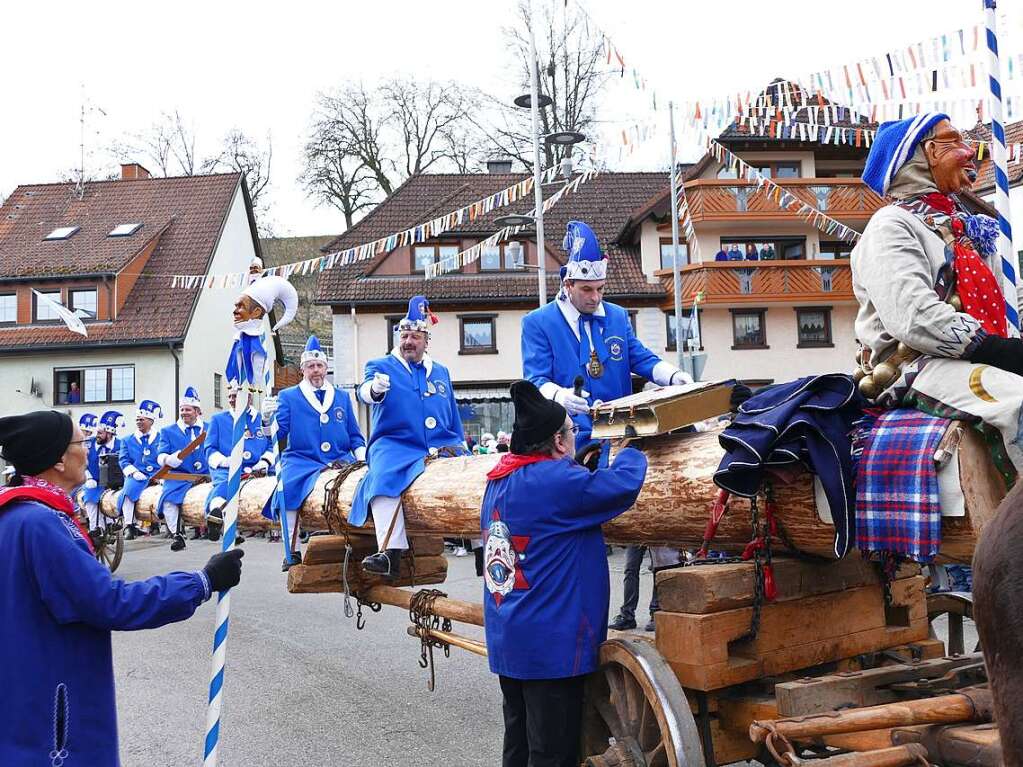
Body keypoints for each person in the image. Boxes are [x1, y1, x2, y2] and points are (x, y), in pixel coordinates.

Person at [0, 409, 244, 765]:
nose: (88, 451)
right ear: (57, 459)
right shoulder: (41, 524)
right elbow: (111, 602)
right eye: (80, 442)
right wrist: (201, 582)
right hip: (52, 724)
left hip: (23, 704)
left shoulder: (16, 515)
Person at [481, 381, 647, 767]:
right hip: (551, 645)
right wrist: (629, 449)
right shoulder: (555, 481)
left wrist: (579, 466)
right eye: (571, 432)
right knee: (553, 752)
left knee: (519, 742)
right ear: (557, 442)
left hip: (511, 638)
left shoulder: (498, 479)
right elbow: (621, 486)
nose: (574, 438)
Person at [853, 113, 1023, 476]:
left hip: (979, 356)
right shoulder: (891, 225)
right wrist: (998, 350)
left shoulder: (969, 228)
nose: (970, 154)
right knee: (1020, 404)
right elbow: (913, 317)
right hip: (916, 366)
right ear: (930, 152)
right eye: (955, 142)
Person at [521, 220, 693, 454]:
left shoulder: (617, 316)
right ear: (568, 284)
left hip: (622, 435)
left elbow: (640, 358)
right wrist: (560, 396)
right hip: (572, 440)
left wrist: (673, 376)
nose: (595, 298)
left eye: (600, 289)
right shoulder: (538, 322)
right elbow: (535, 381)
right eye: (587, 290)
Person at [351, 296, 468, 576]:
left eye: (415, 336)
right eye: (404, 336)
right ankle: (389, 553)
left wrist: (461, 443)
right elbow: (364, 393)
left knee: (474, 475)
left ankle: (481, 544)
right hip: (395, 444)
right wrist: (376, 389)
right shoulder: (380, 365)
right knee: (381, 479)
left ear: (426, 340)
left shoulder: (441, 371)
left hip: (442, 443)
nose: (408, 342)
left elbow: (451, 411)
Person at [274, 335, 365, 570]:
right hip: (302, 459)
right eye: (310, 366)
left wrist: (362, 457)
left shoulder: (342, 397)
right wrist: (268, 420)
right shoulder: (288, 396)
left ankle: (359, 547)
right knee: (288, 491)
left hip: (339, 459)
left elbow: (354, 434)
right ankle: (291, 551)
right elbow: (278, 433)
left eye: (320, 366)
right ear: (303, 369)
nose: (316, 371)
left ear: (326, 368)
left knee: (360, 488)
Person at [204, 382, 272, 542]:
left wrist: (264, 461)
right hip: (226, 466)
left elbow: (271, 443)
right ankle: (217, 513)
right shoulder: (218, 419)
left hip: (255, 468)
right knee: (225, 484)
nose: (232, 400)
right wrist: (224, 461)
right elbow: (209, 448)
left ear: (249, 397)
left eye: (235, 396)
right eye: (230, 397)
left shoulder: (260, 419)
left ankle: (222, 521)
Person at [155, 387, 208, 552]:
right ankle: (176, 534)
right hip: (180, 475)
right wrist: (167, 459)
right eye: (182, 409)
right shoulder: (168, 431)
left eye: (188, 409)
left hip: (206, 474)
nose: (184, 412)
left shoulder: (210, 427)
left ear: (197, 411)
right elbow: (160, 453)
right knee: (169, 498)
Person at [116, 399, 163, 540]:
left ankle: (160, 524)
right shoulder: (127, 440)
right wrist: (134, 472)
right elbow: (123, 460)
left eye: (142, 419)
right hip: (137, 475)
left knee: (168, 491)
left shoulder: (161, 438)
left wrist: (162, 474)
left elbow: (165, 455)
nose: (139, 422)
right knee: (128, 492)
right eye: (137, 419)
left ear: (151, 421)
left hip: (158, 473)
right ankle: (129, 526)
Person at [83, 411, 121, 535]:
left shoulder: (120, 445)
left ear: (109, 433)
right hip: (93, 482)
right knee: (90, 498)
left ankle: (111, 523)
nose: (97, 435)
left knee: (110, 499)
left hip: (111, 484)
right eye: (97, 433)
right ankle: (94, 528)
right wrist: (88, 478)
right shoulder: (88, 444)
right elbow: (82, 462)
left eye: (100, 433)